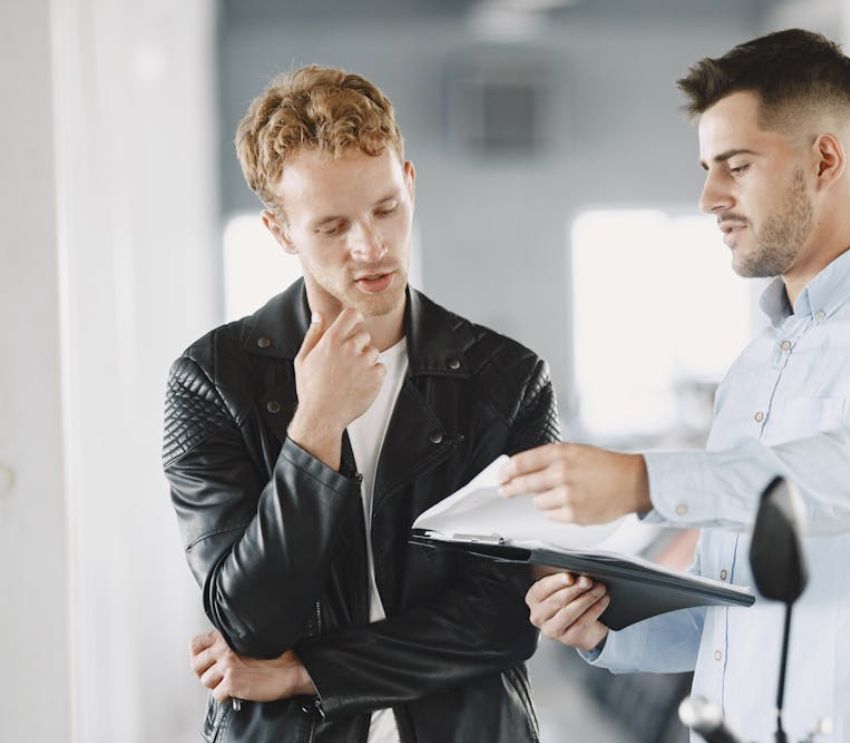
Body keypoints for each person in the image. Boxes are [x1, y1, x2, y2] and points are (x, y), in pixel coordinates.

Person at [499, 29, 850, 742]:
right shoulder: (755, 367)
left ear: (824, 159)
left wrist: (644, 481)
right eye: (708, 167)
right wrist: (604, 626)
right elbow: (734, 610)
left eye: (735, 166)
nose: (710, 196)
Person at [162, 65, 557, 743]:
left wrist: (304, 672)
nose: (370, 247)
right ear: (281, 232)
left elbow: (503, 616)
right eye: (331, 227)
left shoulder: (507, 379)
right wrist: (313, 426)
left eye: (384, 209)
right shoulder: (211, 381)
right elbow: (250, 622)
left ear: (408, 183)